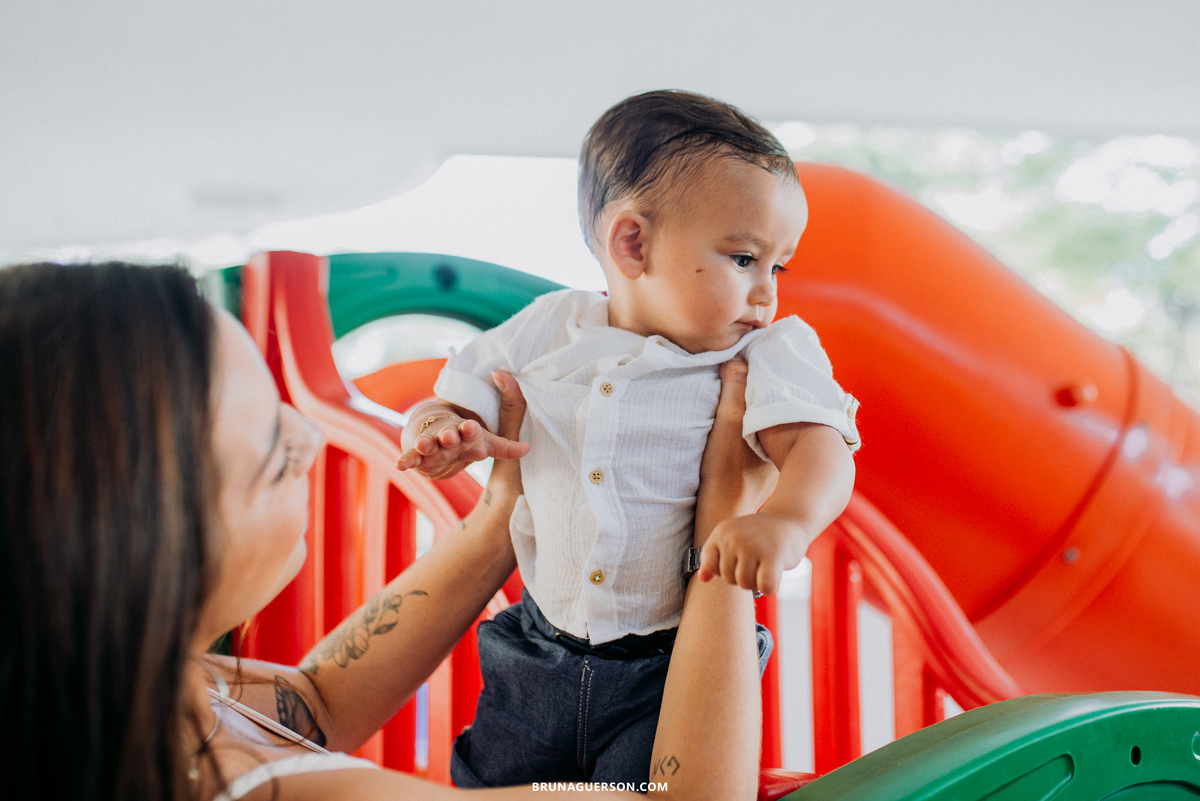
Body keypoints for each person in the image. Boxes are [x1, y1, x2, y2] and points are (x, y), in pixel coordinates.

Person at [0, 260, 773, 800]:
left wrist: (505, 512)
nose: (308, 434)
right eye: (275, 451)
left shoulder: (122, 691)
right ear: (148, 551)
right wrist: (724, 529)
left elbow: (320, 699)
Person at [394, 89, 859, 788]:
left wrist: (788, 520)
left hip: (669, 668)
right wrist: (441, 430)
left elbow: (821, 445)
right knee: (489, 782)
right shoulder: (551, 328)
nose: (768, 292)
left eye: (777, 266)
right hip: (536, 652)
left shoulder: (766, 351)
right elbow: (458, 391)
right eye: (743, 259)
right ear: (633, 243)